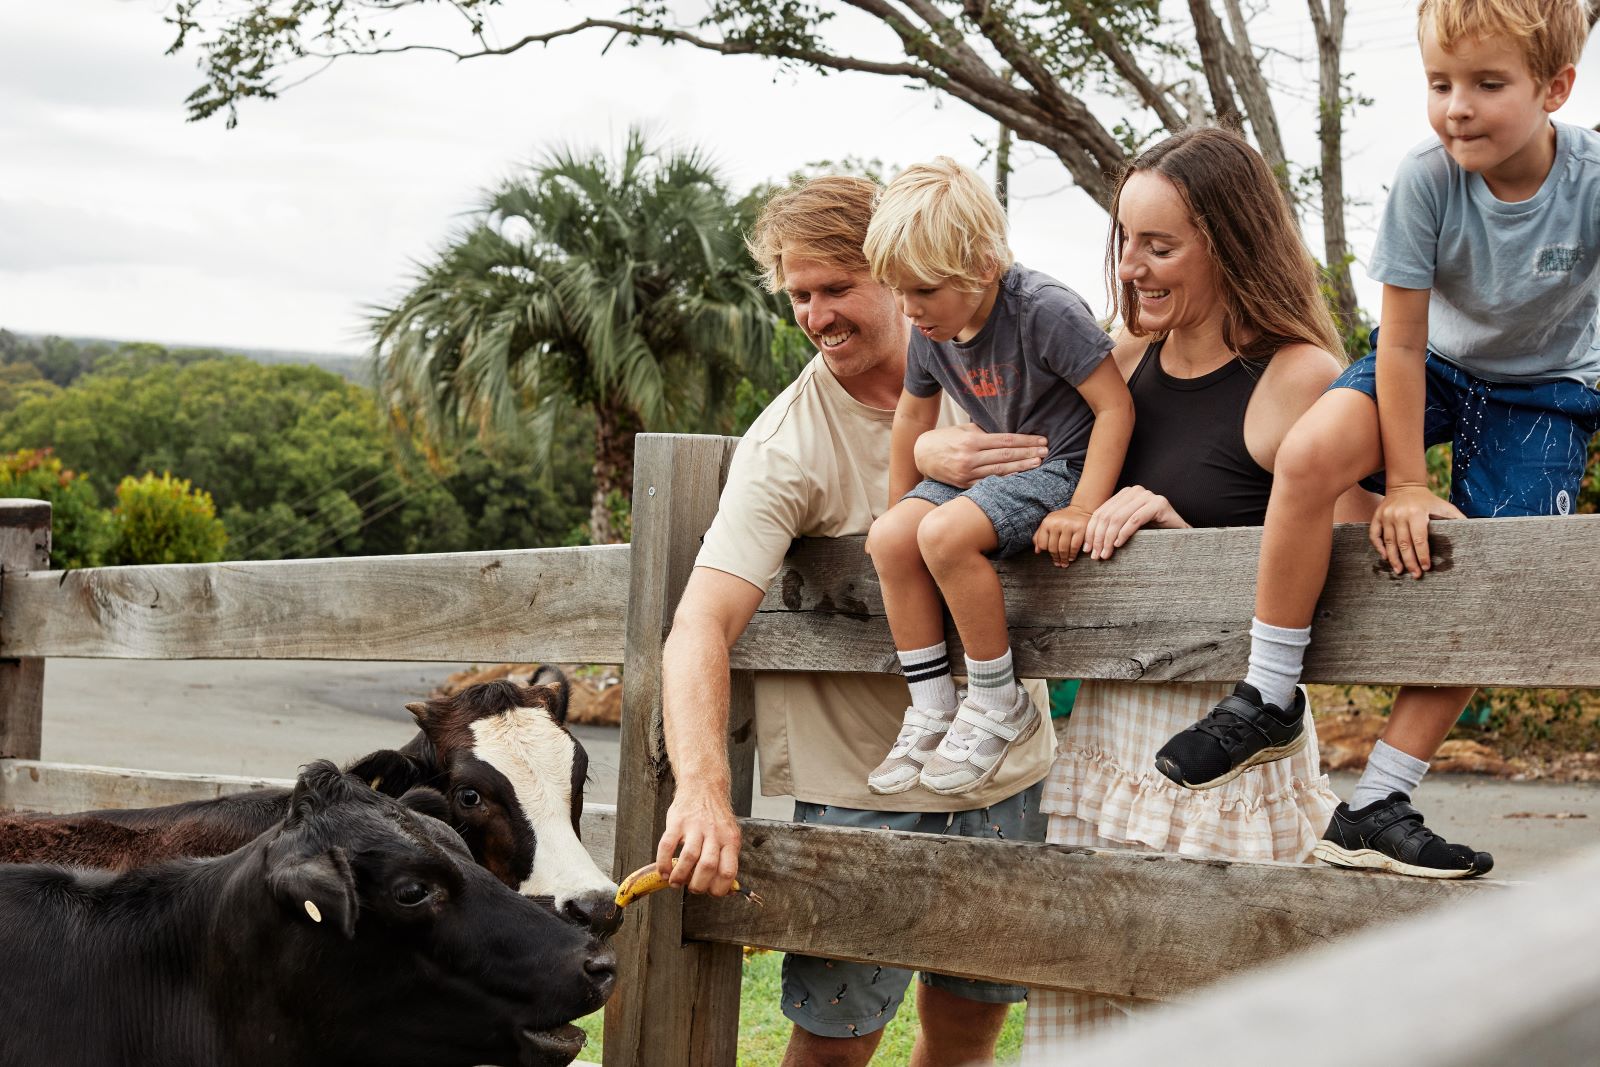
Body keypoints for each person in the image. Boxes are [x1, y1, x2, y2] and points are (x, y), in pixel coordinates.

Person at [912, 125, 1368, 1049]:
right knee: (1086, 1026)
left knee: (1223, 1027)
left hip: (1226, 749)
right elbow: (1006, 473)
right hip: (1103, 750)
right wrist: (931, 447)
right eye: (1124, 240)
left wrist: (1184, 548)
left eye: (1160, 247)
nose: (1130, 268)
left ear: (1231, 243)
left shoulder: (1294, 377)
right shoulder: (1113, 366)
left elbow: (1354, 551)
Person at [1153, 0, 1598, 880]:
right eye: (1440, 84)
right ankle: (1269, 693)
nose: (1456, 107)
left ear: (1556, 88)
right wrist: (1403, 480)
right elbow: (1397, 342)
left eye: (1487, 84)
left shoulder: (1590, 182)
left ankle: (1377, 800)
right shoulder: (1428, 180)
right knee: (1310, 453)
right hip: (1429, 362)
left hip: (1547, 390)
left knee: (1500, 567)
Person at [653, 174, 1056, 1067]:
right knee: (836, 1043)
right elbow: (698, 625)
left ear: (894, 272)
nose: (817, 314)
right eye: (800, 294)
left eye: (837, 287)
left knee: (967, 1031)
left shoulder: (999, 365)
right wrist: (704, 788)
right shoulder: (786, 445)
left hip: (1005, 770)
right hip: (864, 788)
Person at [860, 157, 1134, 798]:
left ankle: (995, 698)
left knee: (946, 536)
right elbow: (911, 415)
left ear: (982, 268)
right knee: (892, 538)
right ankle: (931, 703)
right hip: (992, 479)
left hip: (1061, 468)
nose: (909, 309)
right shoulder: (932, 328)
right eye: (898, 291)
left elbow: (1115, 407)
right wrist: (901, 502)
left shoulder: (1044, 310)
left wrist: (1084, 508)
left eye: (922, 291)